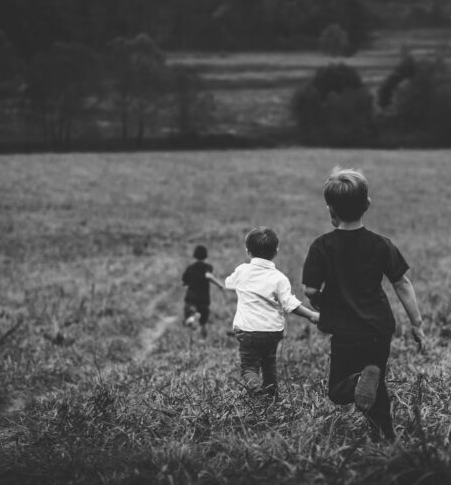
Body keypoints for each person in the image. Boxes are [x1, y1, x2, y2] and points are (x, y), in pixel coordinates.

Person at [302, 167, 426, 441]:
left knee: (338, 389)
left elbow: (310, 288)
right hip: (378, 328)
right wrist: (416, 323)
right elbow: (402, 284)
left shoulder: (322, 246)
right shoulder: (381, 244)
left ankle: (360, 382)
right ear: (367, 205)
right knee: (375, 384)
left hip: (345, 330)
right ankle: (385, 436)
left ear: (330, 209)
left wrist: (320, 302)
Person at [225, 227, 319, 398]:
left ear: (247, 251)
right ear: (276, 251)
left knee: (248, 367)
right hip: (272, 331)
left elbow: (228, 283)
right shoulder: (279, 278)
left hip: (247, 330)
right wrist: (312, 314)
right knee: (269, 363)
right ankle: (272, 396)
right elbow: (290, 304)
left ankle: (256, 389)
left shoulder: (241, 271)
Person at [182, 245, 224, 338]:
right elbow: (208, 276)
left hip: (191, 297)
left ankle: (192, 316)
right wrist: (219, 285)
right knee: (203, 322)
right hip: (203, 299)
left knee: (189, 312)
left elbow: (184, 281)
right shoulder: (207, 266)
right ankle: (203, 339)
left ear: (195, 255)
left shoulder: (190, 268)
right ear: (205, 255)